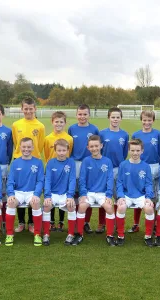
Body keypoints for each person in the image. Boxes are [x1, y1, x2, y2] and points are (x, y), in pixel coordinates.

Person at [72, 135, 116, 246]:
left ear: (101, 146)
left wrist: (109, 194)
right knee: (82, 206)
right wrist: (83, 194)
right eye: (91, 146)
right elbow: (82, 179)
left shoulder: (107, 161)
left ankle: (110, 235)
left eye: (96, 146)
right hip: (89, 193)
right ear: (88, 147)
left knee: (109, 207)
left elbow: (110, 179)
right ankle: (79, 234)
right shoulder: (86, 161)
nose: (94, 148)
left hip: (103, 193)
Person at [12, 97, 45, 233]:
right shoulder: (16, 125)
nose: (28, 111)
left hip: (34, 162)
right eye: (26, 108)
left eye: (31, 108)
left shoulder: (40, 126)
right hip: (19, 160)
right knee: (19, 190)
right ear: (22, 109)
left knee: (32, 192)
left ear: (35, 109)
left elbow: (41, 144)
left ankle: (31, 222)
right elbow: (15, 142)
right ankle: (21, 222)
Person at [128, 110, 160, 233]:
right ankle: (136, 223)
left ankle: (154, 223)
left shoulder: (158, 135)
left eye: (149, 120)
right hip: (139, 167)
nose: (147, 122)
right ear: (141, 120)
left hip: (154, 167)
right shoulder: (136, 134)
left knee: (152, 195)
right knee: (138, 193)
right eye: (144, 120)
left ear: (153, 121)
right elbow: (133, 151)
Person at [5, 138, 44, 247]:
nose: (26, 149)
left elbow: (40, 181)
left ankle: (37, 234)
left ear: (32, 147)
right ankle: (9, 234)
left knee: (36, 203)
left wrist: (36, 194)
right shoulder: (15, 162)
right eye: (24, 147)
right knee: (11, 203)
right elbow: (10, 181)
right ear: (19, 148)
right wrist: (11, 194)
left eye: (28, 147)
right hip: (18, 192)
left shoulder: (38, 162)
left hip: (32, 192)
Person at [116, 138, 155, 247]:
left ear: (142, 151)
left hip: (141, 196)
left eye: (138, 150)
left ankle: (148, 236)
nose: (135, 153)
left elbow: (148, 183)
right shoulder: (123, 165)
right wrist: (120, 196)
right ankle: (120, 236)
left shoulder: (146, 166)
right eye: (132, 150)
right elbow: (119, 182)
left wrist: (148, 197)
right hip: (126, 195)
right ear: (128, 151)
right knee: (121, 207)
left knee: (149, 208)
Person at [68, 104, 99, 234]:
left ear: (89, 115)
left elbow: (96, 147)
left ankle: (85, 222)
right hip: (75, 162)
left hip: (89, 163)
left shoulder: (94, 129)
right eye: (80, 114)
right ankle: (75, 219)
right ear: (76, 115)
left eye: (85, 114)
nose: (82, 116)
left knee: (87, 191)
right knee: (75, 192)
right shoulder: (71, 129)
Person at [98, 107, 129, 233]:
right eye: (113, 117)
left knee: (117, 195)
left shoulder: (125, 134)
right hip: (104, 169)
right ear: (108, 118)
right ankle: (102, 223)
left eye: (118, 117)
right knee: (103, 195)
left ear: (121, 119)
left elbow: (125, 152)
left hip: (118, 168)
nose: (115, 119)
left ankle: (116, 221)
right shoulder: (102, 133)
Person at [43, 139, 76, 246]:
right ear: (55, 150)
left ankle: (71, 234)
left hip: (65, 194)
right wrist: (47, 196)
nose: (61, 153)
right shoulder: (50, 162)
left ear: (67, 150)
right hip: (53, 193)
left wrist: (70, 196)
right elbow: (47, 180)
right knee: (47, 206)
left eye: (63, 150)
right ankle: (46, 234)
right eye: (59, 150)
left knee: (71, 206)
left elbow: (72, 179)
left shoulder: (71, 162)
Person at [44, 111, 73, 232]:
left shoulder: (69, 139)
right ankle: (51, 221)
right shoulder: (47, 138)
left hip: (64, 170)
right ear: (52, 122)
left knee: (63, 192)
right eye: (56, 122)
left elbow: (69, 154)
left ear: (65, 123)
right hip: (52, 169)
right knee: (52, 194)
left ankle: (61, 221)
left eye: (61, 122)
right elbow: (46, 155)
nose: (59, 124)